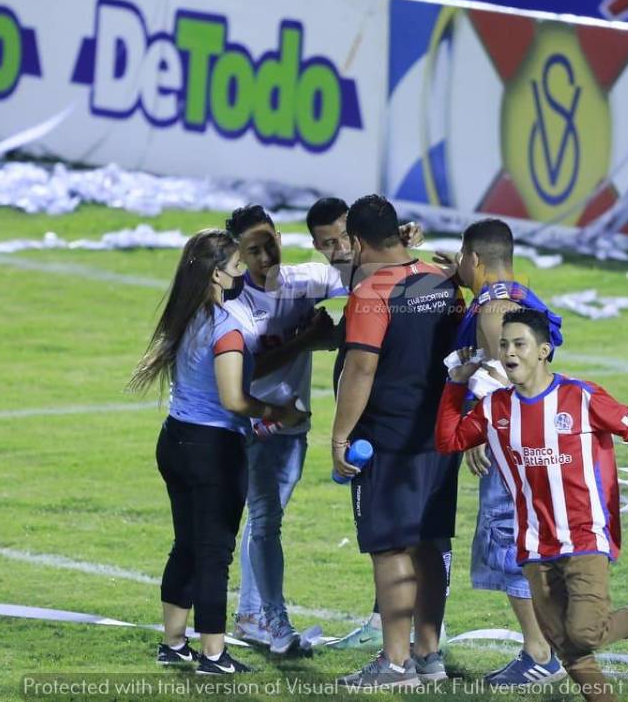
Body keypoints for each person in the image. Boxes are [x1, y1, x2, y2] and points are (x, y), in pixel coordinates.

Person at [436, 309, 628, 702]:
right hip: (533, 543)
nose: (509, 352)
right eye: (505, 344)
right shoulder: (496, 408)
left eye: (519, 344)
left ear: (543, 351)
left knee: (584, 633)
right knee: (563, 642)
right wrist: (455, 386)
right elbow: (450, 441)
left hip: (584, 534)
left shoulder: (580, 397)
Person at [128, 229, 308, 675]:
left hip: (175, 440)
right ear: (215, 274)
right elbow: (234, 400)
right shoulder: (226, 326)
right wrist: (278, 412)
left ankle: (173, 644)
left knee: (186, 545)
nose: (242, 272)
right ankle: (213, 654)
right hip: (213, 449)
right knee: (214, 552)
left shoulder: (184, 313)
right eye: (234, 266)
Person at [306, 197, 455, 653]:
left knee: (390, 549)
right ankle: (428, 656)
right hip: (440, 436)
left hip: (388, 440)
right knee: (430, 546)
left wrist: (339, 438)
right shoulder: (443, 280)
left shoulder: (370, 295)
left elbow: (360, 371)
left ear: (357, 240)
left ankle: (394, 663)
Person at [445, 219, 567, 686]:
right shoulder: (513, 294)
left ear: (473, 258)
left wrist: (477, 432)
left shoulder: (494, 311)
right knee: (526, 542)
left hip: (509, 445)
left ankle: (540, 653)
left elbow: (508, 380)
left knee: (510, 541)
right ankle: (555, 644)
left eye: (461, 256)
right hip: (532, 440)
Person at [223, 205, 344, 655]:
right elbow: (245, 369)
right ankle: (272, 619)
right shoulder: (236, 302)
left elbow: (365, 279)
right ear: (238, 254)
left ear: (279, 234)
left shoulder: (305, 280)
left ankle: (252, 614)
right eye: (251, 250)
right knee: (266, 521)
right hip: (252, 424)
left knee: (264, 522)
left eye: (268, 242)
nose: (264, 255)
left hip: (292, 427)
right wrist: (306, 340)